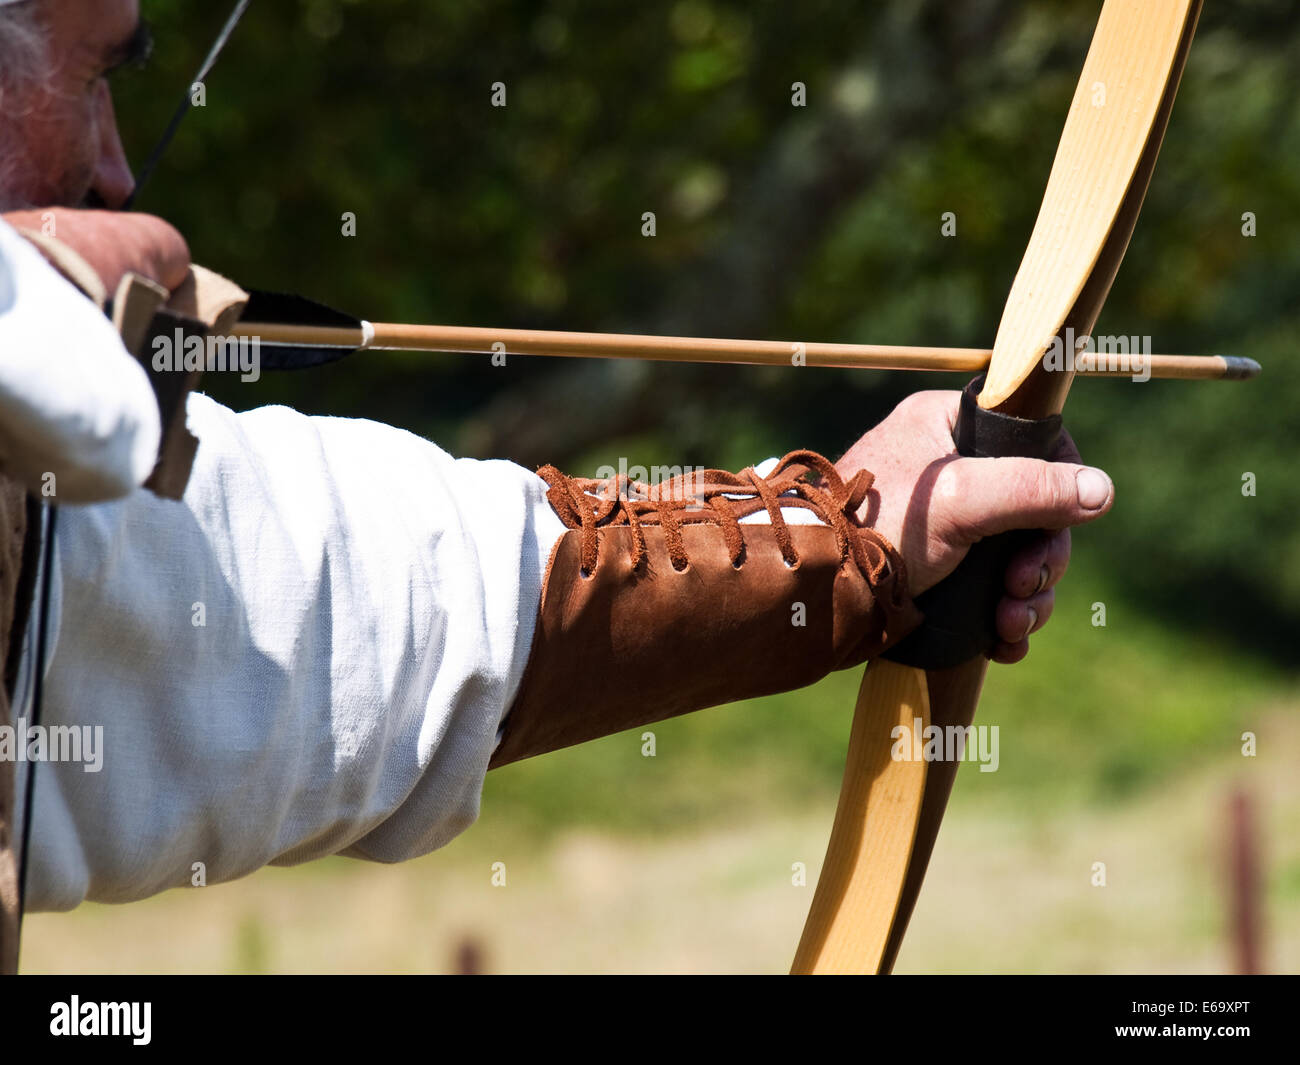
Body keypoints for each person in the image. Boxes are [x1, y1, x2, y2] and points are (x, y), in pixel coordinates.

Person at [0, 0, 1114, 970]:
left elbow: (358, 605)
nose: (115, 168)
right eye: (94, 76)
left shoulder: (47, 520)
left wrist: (847, 531)